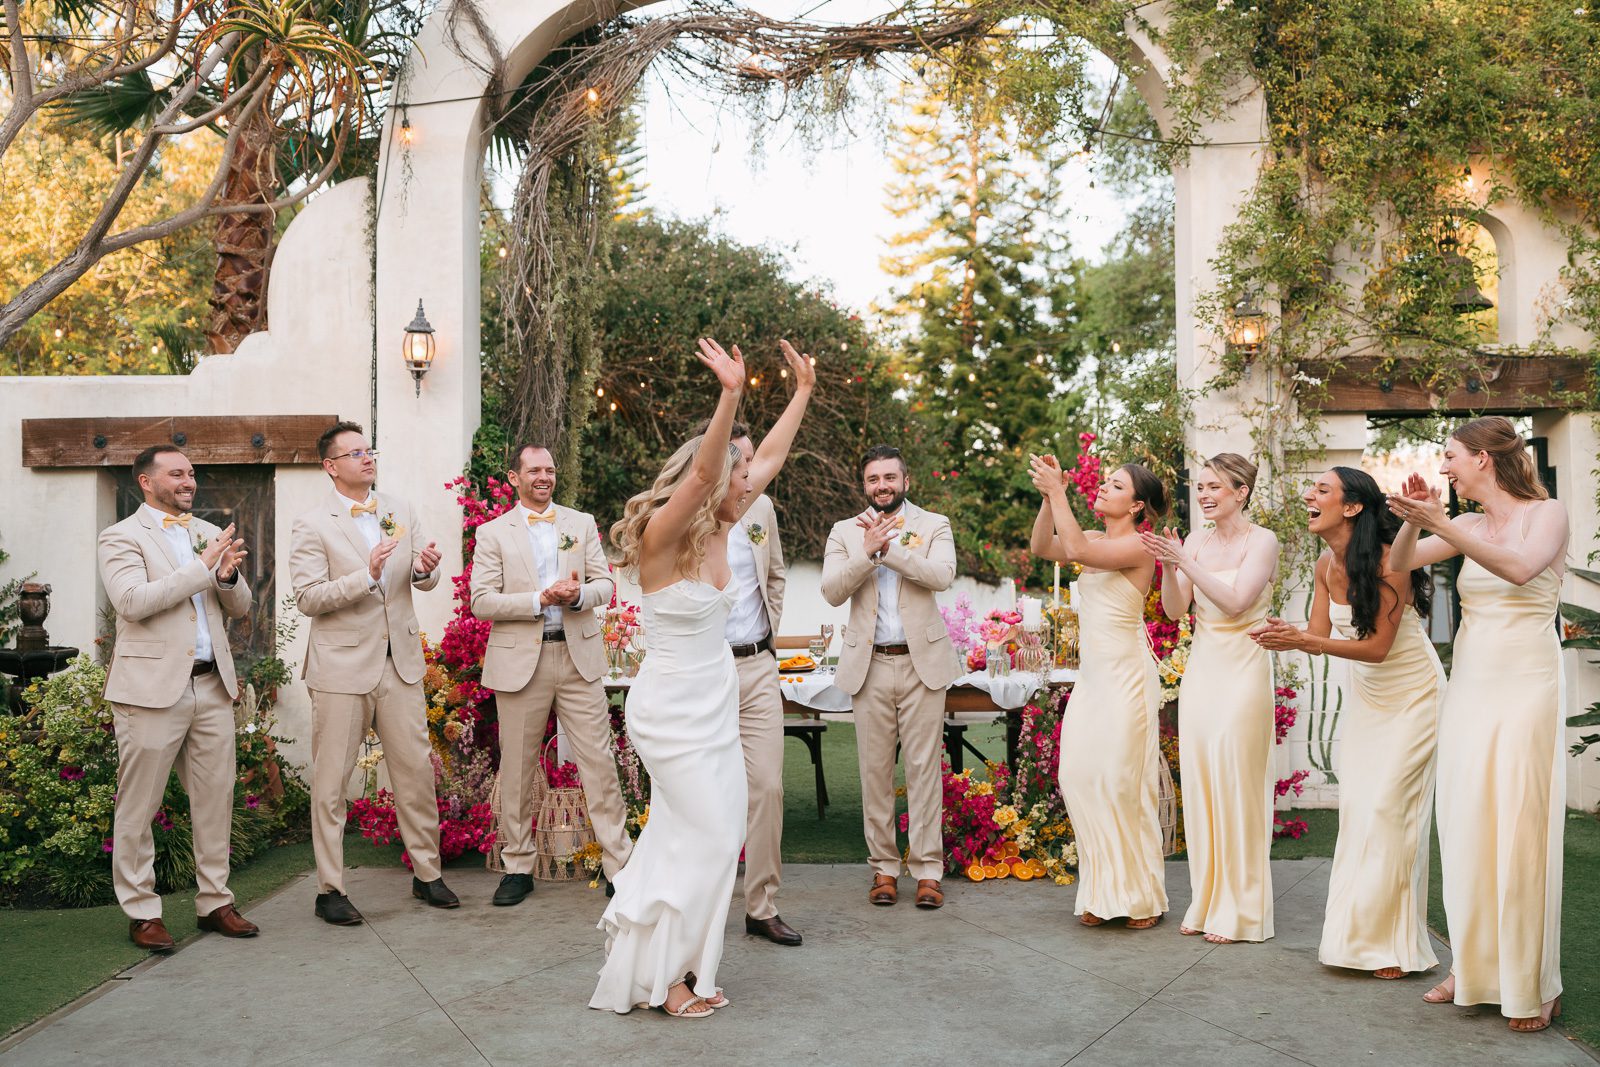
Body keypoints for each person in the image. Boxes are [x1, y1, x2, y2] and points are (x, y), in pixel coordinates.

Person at [591, 337, 814, 1018]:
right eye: (738, 474)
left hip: (717, 705)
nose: (750, 480)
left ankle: (675, 969)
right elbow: (703, 473)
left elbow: (767, 456)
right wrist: (730, 394)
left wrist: (801, 391)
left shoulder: (726, 526)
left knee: (699, 838)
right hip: (669, 710)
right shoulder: (663, 535)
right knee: (714, 836)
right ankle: (675, 981)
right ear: (714, 480)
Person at [1386, 416, 1568, 1032]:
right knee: (1464, 822)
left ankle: (1533, 983)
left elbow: (1519, 570)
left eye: (1451, 456)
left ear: (1484, 460)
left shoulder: (1547, 515)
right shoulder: (1462, 524)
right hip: (1470, 687)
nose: (1444, 467)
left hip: (1526, 687)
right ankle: (1471, 966)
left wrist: (1444, 526)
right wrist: (1417, 522)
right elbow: (1395, 566)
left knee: (1519, 826)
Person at [1251, 467, 1441, 980]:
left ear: (1353, 506)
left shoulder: (1387, 562)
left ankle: (1396, 948)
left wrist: (1306, 642)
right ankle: (1357, 942)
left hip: (1413, 696)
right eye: (1308, 487)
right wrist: (1282, 632)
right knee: (1359, 811)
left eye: (1321, 490)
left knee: (1389, 812)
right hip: (1368, 700)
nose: (1307, 496)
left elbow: (1377, 648)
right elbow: (1315, 632)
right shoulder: (1324, 564)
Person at [289, 421, 456, 925]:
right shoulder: (312, 524)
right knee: (331, 780)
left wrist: (426, 568)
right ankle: (330, 889)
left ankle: (428, 875)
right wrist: (367, 575)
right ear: (330, 466)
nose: (367, 458)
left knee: (416, 773)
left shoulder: (398, 510)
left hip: (400, 663)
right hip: (340, 668)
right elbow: (308, 596)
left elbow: (423, 580)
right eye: (356, 452)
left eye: (370, 450)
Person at [98, 445, 257, 951]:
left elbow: (241, 605)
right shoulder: (120, 537)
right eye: (176, 474)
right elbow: (131, 602)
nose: (189, 481)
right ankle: (142, 911)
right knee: (139, 805)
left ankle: (215, 902)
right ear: (147, 481)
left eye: (191, 473)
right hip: (149, 691)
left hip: (211, 685)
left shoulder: (209, 533)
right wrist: (202, 568)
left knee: (215, 798)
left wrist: (226, 576)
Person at [469, 443, 631, 906]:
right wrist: (539, 599)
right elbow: (481, 601)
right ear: (514, 477)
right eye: (534, 470)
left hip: (577, 657)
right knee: (518, 767)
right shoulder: (492, 533)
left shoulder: (579, 524)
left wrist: (578, 596)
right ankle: (518, 865)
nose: (544, 476)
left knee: (599, 763)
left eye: (550, 469)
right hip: (521, 660)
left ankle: (620, 865)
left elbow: (605, 584)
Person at [1141, 453, 1279, 945]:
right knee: (1202, 784)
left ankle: (1242, 911)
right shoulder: (1195, 541)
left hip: (1244, 671)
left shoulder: (1263, 541)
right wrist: (1168, 567)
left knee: (1237, 784)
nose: (1203, 495)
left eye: (1214, 487)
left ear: (1241, 492)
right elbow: (1177, 610)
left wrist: (1185, 563)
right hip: (1203, 671)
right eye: (1200, 487)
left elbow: (1237, 601)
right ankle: (1206, 901)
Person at [1030, 455, 1167, 929]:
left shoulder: (1141, 546)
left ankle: (1141, 897)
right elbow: (1043, 545)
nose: (1105, 489)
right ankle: (1102, 891)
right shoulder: (1087, 536)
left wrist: (1060, 491)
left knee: (1123, 783)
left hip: (1127, 678)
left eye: (1116, 486)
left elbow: (1077, 551)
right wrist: (1051, 496)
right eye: (1105, 483)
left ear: (1137, 506)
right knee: (1078, 775)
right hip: (1092, 680)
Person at [821, 445, 959, 909]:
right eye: (873, 479)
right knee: (874, 772)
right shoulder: (844, 532)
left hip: (923, 664)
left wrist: (891, 551)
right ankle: (883, 868)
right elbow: (832, 591)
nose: (882, 485)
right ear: (864, 485)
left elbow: (941, 575)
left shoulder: (933, 525)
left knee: (924, 772)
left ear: (906, 482)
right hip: (870, 664)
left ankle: (927, 871)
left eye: (889, 478)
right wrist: (866, 553)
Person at [692, 416, 801, 947]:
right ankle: (701, 905)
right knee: (707, 792)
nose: (751, 468)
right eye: (743, 459)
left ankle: (761, 905)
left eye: (755, 458)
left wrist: (770, 632)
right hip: (706, 670)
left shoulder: (761, 508)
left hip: (758, 666)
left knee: (768, 787)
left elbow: (774, 574)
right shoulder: (688, 511)